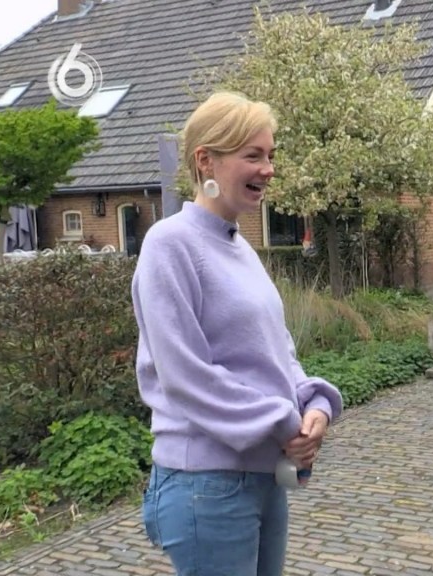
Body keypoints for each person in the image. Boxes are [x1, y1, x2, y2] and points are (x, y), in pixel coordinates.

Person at [132, 91, 343, 576]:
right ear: (206, 160)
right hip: (206, 485)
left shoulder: (241, 248)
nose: (268, 169)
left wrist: (313, 404)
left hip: (264, 480)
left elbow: (277, 351)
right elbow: (185, 375)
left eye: (270, 155)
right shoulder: (170, 243)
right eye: (253, 155)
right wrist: (284, 423)